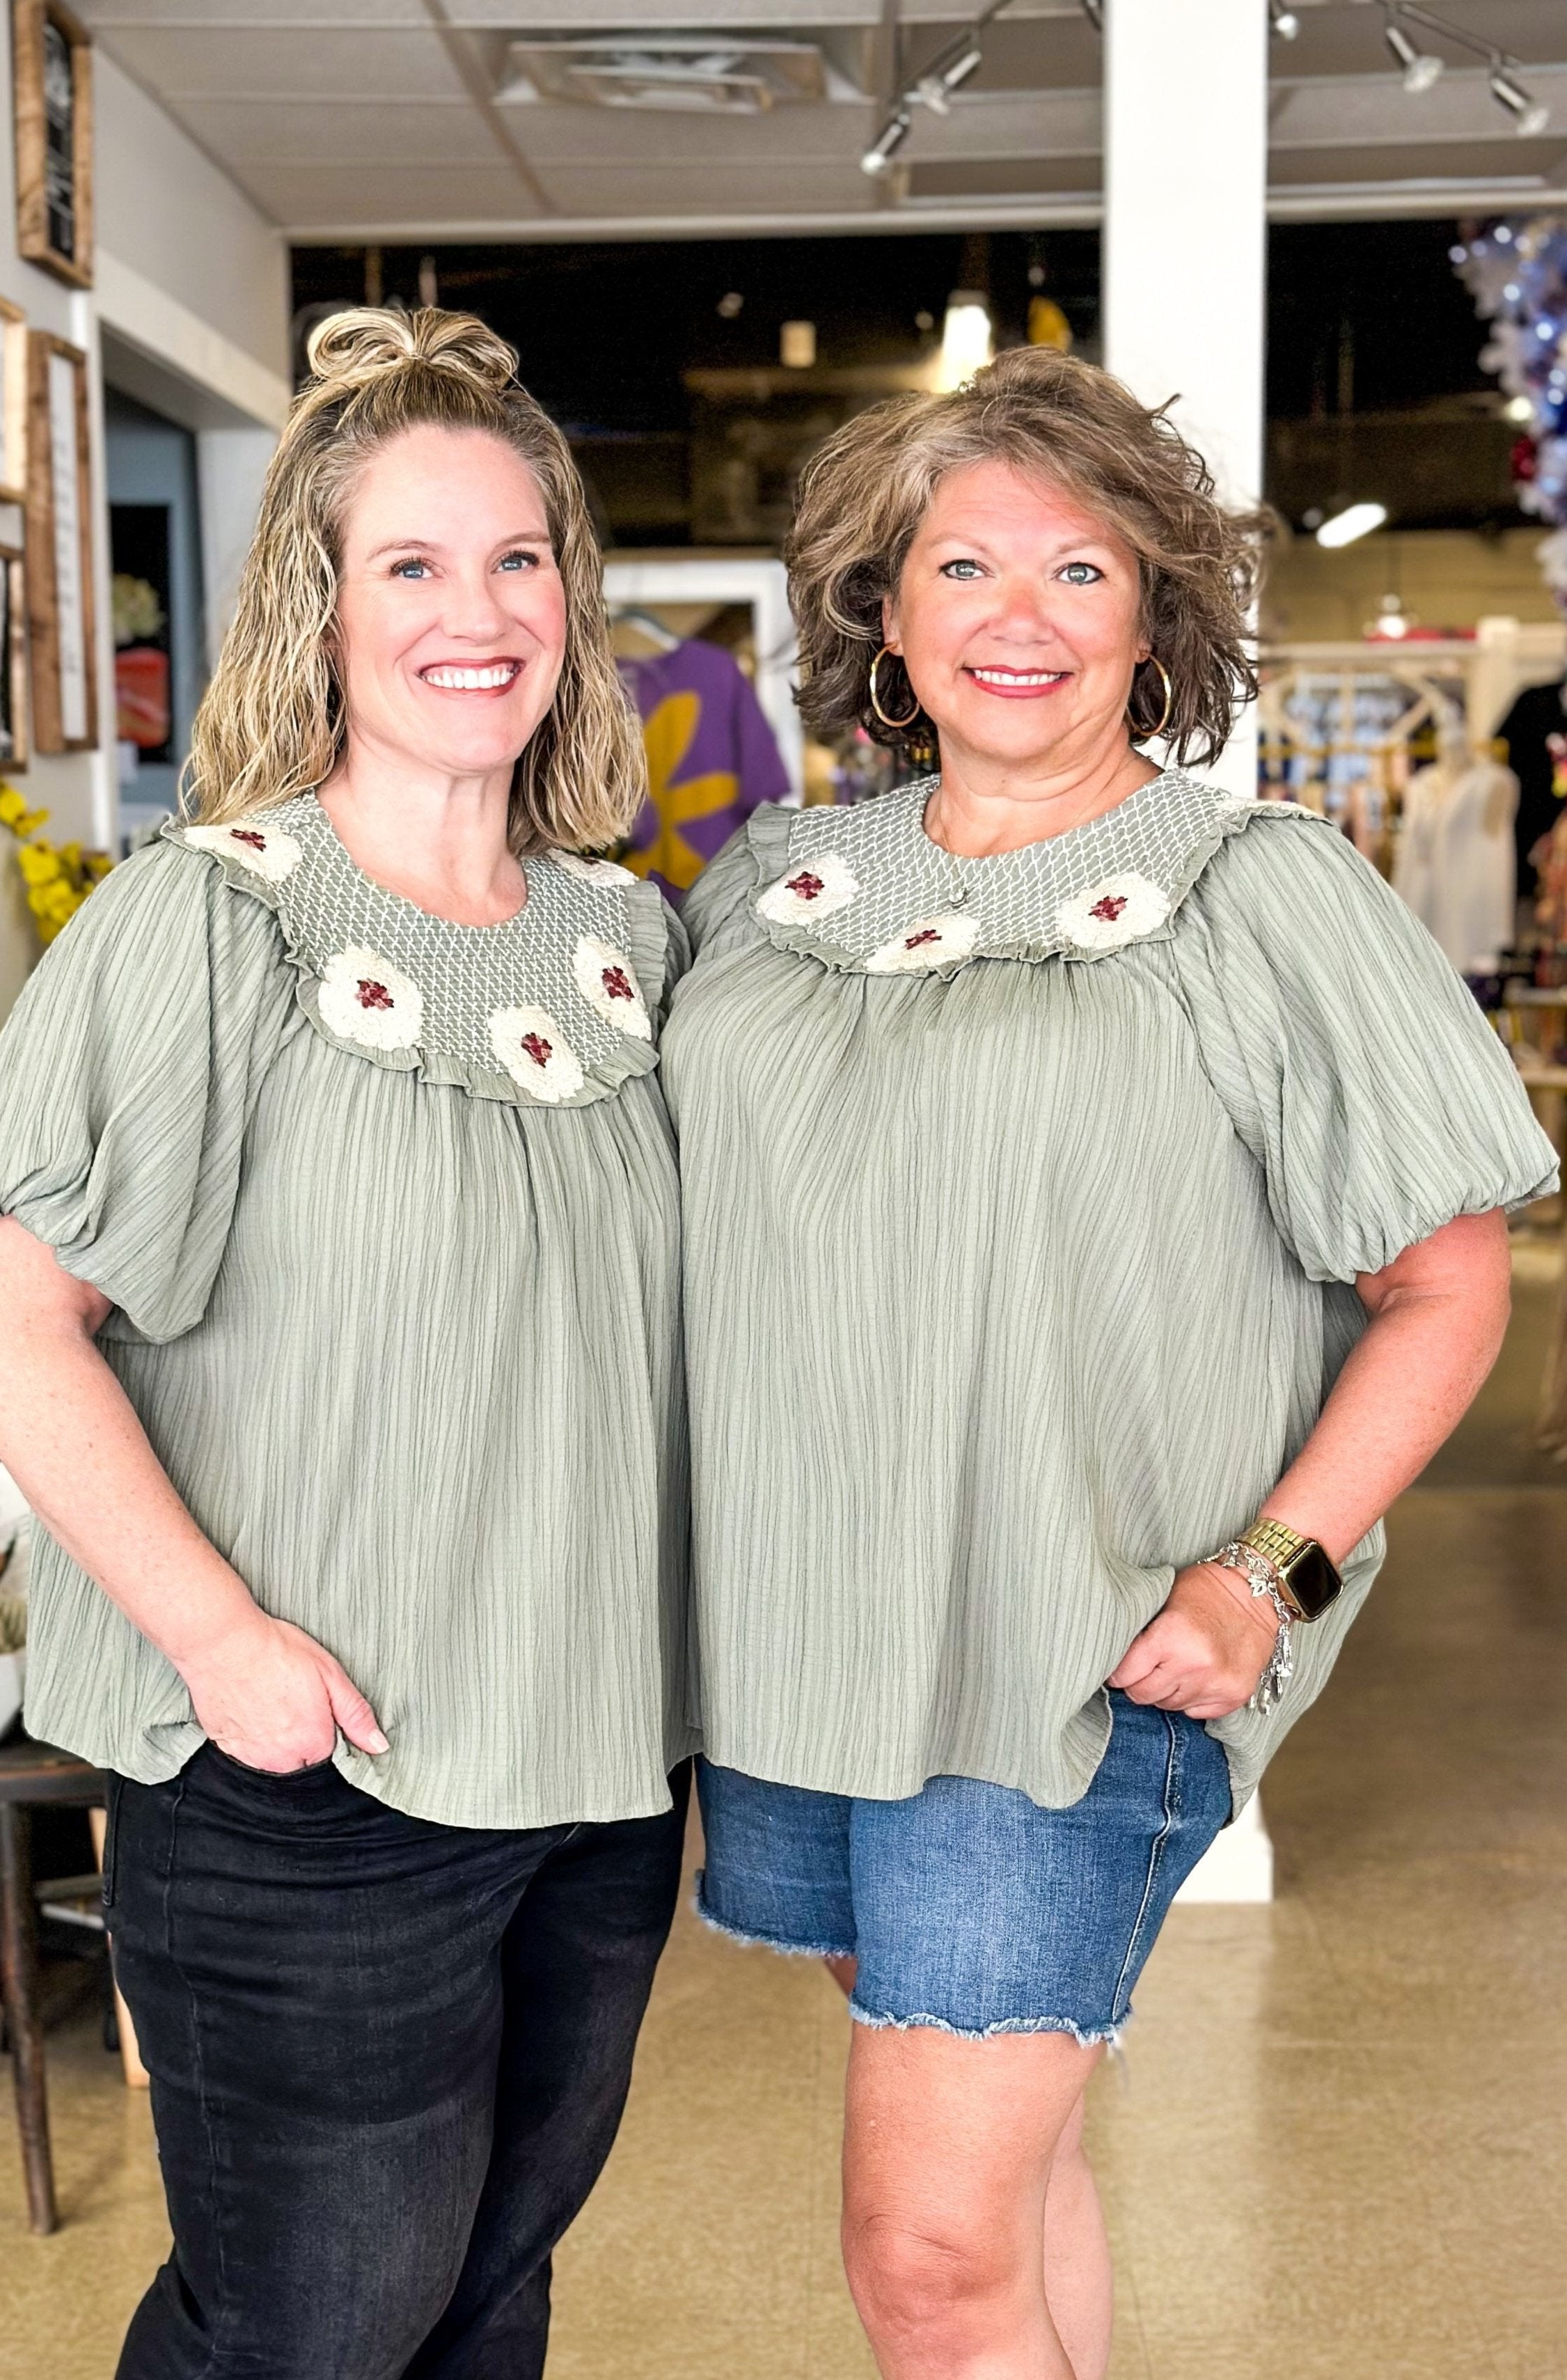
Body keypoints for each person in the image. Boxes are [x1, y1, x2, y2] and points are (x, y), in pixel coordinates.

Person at [660, 343, 1558, 2380]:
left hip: (1077, 1651)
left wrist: (1269, 1570)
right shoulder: (773, 890)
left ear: (1155, 611)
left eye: (1079, 571)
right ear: (877, 610)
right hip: (803, 1651)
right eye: (961, 564)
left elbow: (1444, 1285)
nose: (1017, 617)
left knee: (919, 2252)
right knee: (1006, 2189)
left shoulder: (1262, 894)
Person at [0, 308, 693, 2380]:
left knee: (486, 2297)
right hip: (306, 1769)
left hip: (592, 1766)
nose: (475, 610)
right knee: (314, 2326)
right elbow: (9, 1305)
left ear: (570, 599)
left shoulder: (633, 942)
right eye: (410, 565)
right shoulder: (208, 920)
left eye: (517, 557)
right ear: (316, 611)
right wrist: (219, 1641)